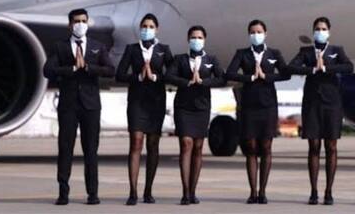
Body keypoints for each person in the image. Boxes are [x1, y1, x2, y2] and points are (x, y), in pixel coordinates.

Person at [43, 8, 115, 205]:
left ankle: (93, 193)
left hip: (91, 105)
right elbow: (48, 70)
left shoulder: (97, 46)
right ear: (70, 25)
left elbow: (110, 70)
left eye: (84, 21)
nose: (80, 25)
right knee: (65, 148)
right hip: (68, 105)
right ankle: (63, 192)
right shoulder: (60, 47)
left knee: (91, 150)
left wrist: (89, 68)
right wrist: (73, 68)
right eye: (76, 21)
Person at [288, 17, 353, 205]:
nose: (320, 32)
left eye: (323, 29)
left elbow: (349, 67)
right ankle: (314, 191)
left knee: (331, 146)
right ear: (313, 32)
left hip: (332, 104)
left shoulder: (336, 51)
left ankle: (329, 191)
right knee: (314, 146)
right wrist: (312, 70)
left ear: (329, 32)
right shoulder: (306, 52)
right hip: (312, 104)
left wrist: (325, 68)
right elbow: (291, 67)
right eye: (317, 29)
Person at [225, 19, 290, 204]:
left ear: (265, 33)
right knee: (251, 147)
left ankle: (263, 192)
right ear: (249, 35)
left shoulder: (274, 53)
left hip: (268, 105)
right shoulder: (242, 54)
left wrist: (266, 76)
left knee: (266, 146)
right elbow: (229, 73)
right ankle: (253, 192)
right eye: (253, 32)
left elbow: (286, 74)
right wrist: (250, 77)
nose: (256, 35)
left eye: (259, 32)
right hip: (249, 105)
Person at [116, 13, 174, 205]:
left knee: (153, 145)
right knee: (136, 143)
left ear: (156, 29)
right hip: (137, 102)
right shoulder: (132, 49)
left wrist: (155, 77)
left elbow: (173, 75)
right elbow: (120, 75)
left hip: (156, 102)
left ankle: (148, 191)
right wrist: (139, 77)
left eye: (150, 27)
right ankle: (133, 192)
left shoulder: (164, 50)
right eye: (144, 26)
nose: (147, 29)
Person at [165, 25, 225, 205]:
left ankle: (193, 191)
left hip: (202, 107)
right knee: (186, 143)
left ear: (204, 40)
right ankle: (185, 192)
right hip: (184, 107)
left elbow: (222, 79)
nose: (196, 40)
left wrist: (204, 81)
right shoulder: (180, 59)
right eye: (193, 37)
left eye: (199, 37)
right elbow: (169, 76)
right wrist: (187, 82)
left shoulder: (211, 59)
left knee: (198, 147)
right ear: (188, 39)